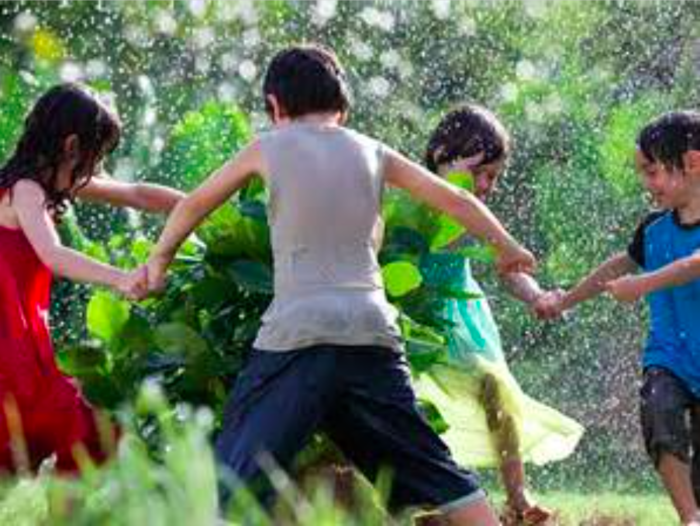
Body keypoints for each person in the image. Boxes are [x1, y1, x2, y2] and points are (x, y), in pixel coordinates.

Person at [145, 44, 536, 525]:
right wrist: (509, 247)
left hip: (296, 334)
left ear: (274, 106)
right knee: (433, 469)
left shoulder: (267, 146)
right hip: (371, 332)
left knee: (236, 467)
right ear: (343, 108)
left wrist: (158, 261)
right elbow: (458, 202)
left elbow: (193, 204)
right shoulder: (373, 150)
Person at [0, 82, 184, 475]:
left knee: (77, 428)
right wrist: (121, 278)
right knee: (80, 426)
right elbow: (53, 254)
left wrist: (194, 204)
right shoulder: (25, 190)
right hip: (9, 346)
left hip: (22, 343)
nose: (94, 174)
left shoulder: (43, 181)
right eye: (93, 160)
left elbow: (134, 194)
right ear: (70, 147)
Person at [414, 104, 583, 525]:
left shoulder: (473, 213)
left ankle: (517, 497)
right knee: (414, 408)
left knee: (497, 391)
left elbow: (508, 267)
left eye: (495, 176)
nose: (488, 185)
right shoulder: (411, 194)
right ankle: (429, 502)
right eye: (481, 172)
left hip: (462, 318)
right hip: (414, 317)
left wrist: (536, 295)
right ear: (442, 154)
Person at [538, 111, 700, 526]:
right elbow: (617, 268)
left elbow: (694, 264)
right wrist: (566, 299)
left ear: (693, 163)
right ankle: (688, 519)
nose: (647, 183)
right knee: (658, 409)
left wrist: (644, 285)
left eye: (653, 171)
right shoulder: (654, 229)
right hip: (670, 358)